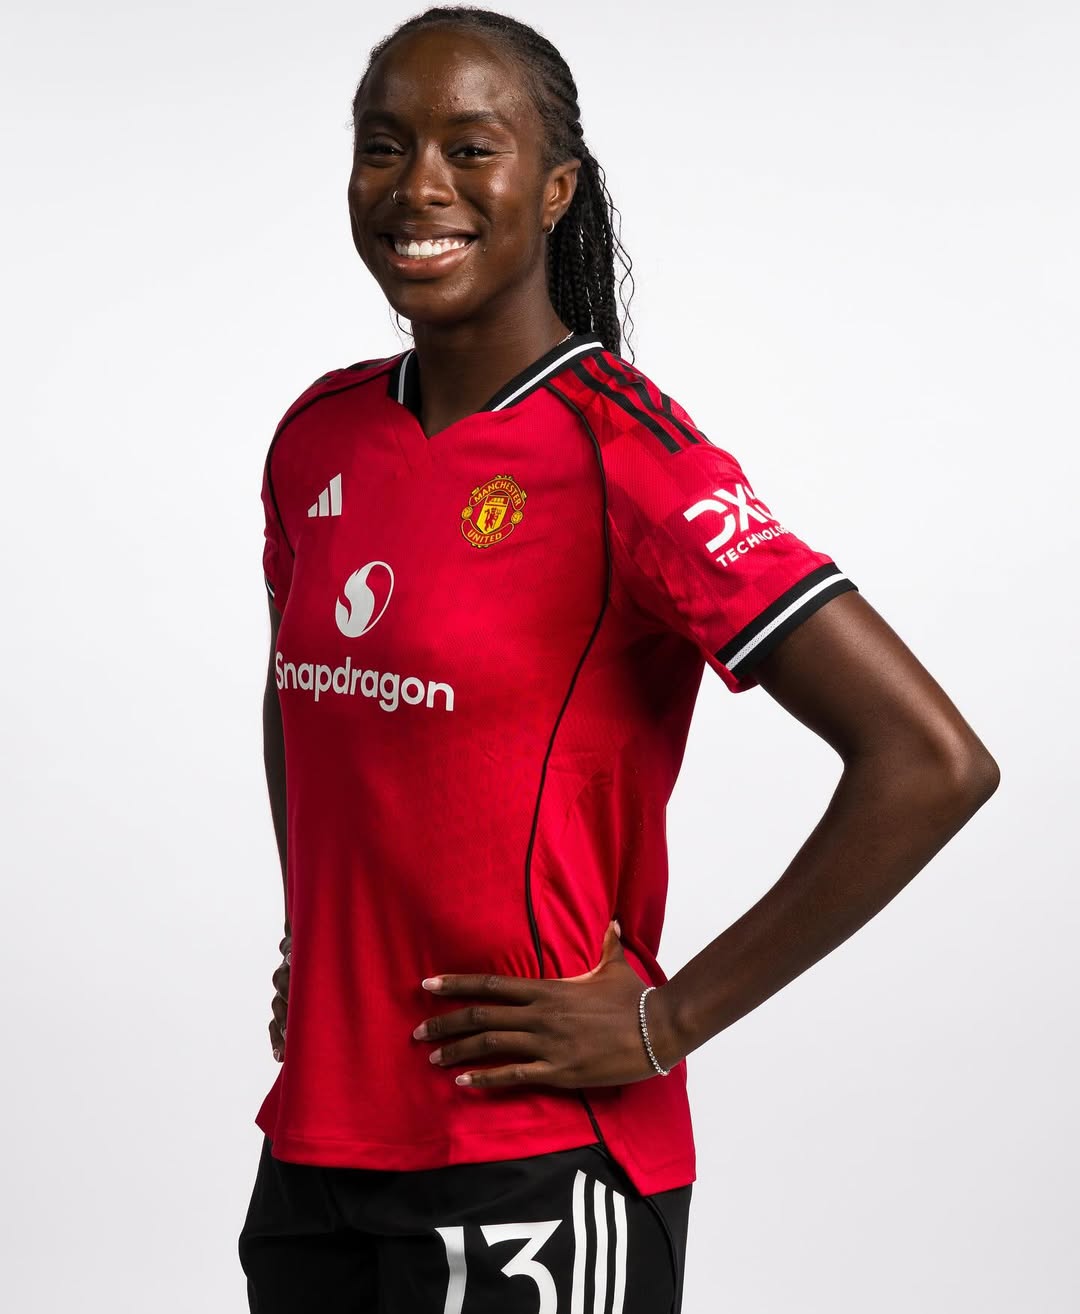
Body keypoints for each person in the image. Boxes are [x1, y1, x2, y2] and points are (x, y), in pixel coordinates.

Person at [237, 8, 1000, 1312]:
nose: (418, 185)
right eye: (383, 146)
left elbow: (931, 760)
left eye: (470, 148)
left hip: (536, 1165)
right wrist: (319, 928)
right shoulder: (320, 435)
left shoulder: (627, 456)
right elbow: (300, 694)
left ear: (555, 187)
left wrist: (666, 1018)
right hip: (317, 1146)